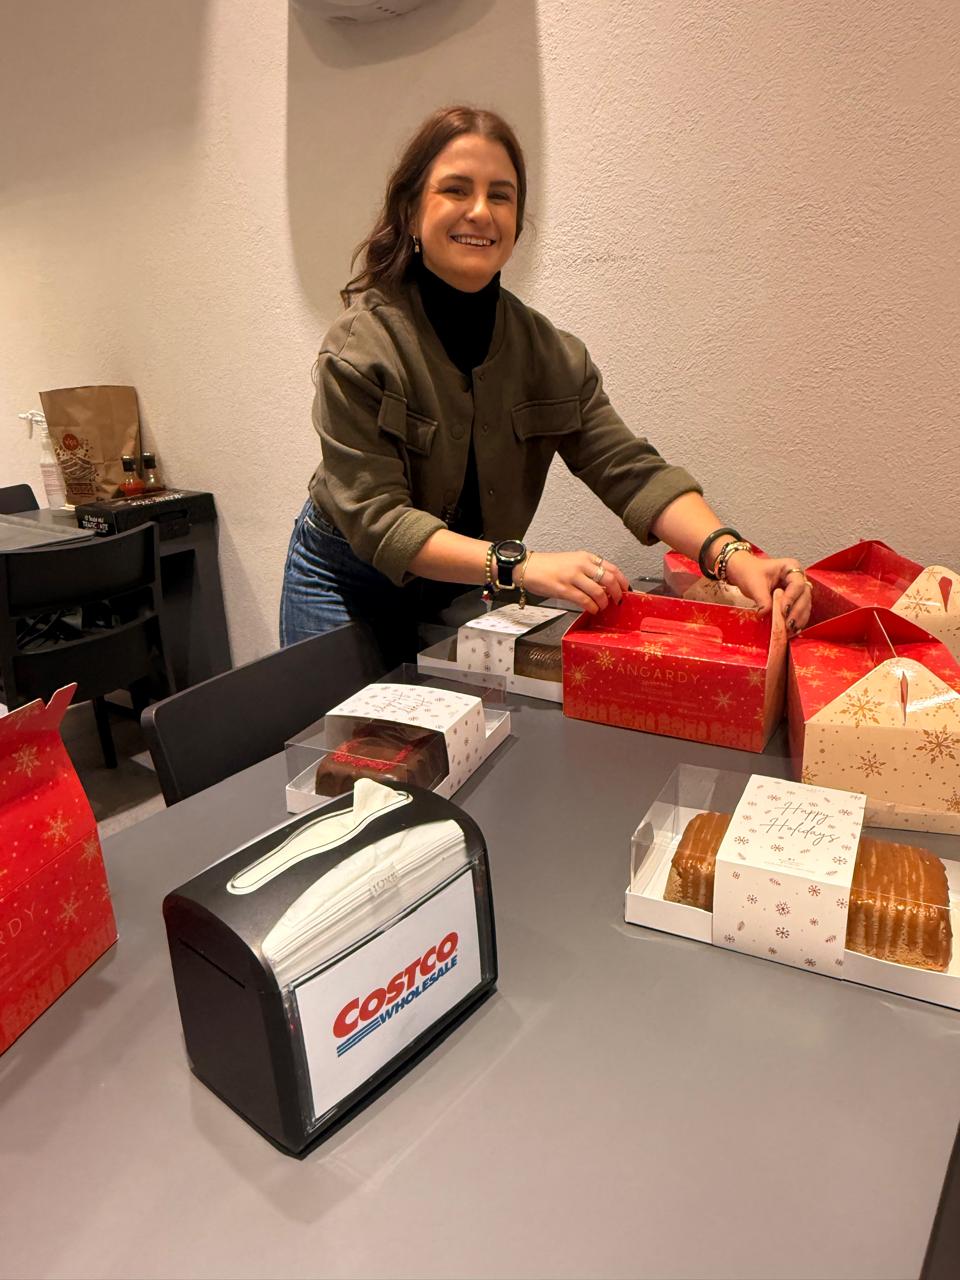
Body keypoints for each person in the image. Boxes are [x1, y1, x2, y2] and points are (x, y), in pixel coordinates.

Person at [280, 105, 812, 666]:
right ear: (411, 212)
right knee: (336, 727)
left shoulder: (551, 354)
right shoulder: (360, 349)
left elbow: (632, 472)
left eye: (501, 196)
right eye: (456, 190)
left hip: (457, 587)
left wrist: (733, 557)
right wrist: (524, 566)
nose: (480, 212)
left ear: (517, 223)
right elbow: (383, 524)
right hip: (343, 584)